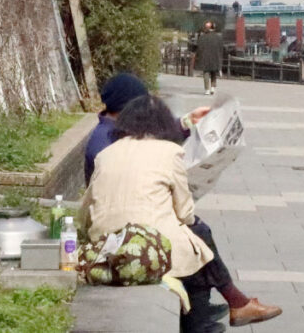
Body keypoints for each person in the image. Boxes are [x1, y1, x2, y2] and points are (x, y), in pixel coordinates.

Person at [84, 76, 281, 330]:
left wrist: (187, 122)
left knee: (194, 240)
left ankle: (226, 307)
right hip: (138, 240)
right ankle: (218, 312)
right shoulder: (162, 150)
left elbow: (87, 207)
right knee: (194, 236)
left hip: (107, 237)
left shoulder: (106, 149)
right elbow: (185, 212)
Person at [195, 21, 224, 95]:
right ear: (213, 28)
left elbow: (199, 48)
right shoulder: (218, 37)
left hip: (205, 57)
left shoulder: (202, 37)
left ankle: (207, 89)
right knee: (214, 72)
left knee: (206, 73)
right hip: (215, 57)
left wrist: (199, 56)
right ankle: (213, 88)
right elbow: (221, 48)